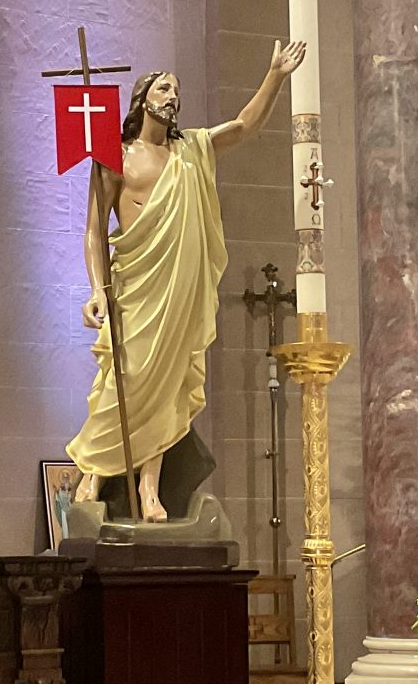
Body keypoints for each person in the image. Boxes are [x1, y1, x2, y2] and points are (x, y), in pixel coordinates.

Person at [66, 40, 306, 521]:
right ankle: (91, 470)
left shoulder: (191, 150)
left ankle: (150, 489)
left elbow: (244, 126)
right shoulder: (115, 156)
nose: (173, 96)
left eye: (177, 90)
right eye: (163, 88)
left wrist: (275, 77)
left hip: (179, 289)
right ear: (142, 100)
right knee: (124, 377)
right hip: (135, 287)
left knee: (169, 387)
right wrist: (95, 289)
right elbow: (93, 230)